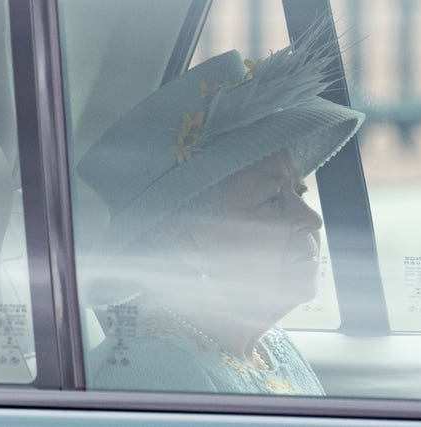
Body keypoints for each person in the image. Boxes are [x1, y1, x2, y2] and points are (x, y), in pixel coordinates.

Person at [78, 22, 364, 395]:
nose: (312, 219)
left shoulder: (269, 346)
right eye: (272, 200)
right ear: (189, 241)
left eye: (299, 191)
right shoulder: (153, 374)